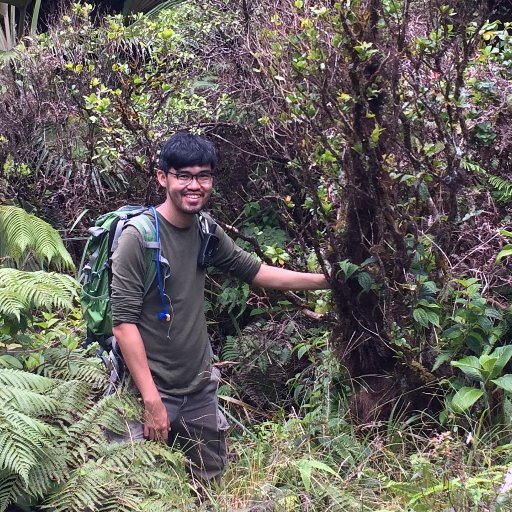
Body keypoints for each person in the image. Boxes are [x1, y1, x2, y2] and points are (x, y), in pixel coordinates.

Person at [110, 132, 329, 485]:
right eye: (184, 176)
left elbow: (255, 271)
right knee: (137, 489)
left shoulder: (206, 230)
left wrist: (326, 279)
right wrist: (152, 401)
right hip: (146, 390)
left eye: (204, 176)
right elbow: (123, 324)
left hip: (197, 387)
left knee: (209, 485)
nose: (194, 185)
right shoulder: (139, 237)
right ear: (162, 178)